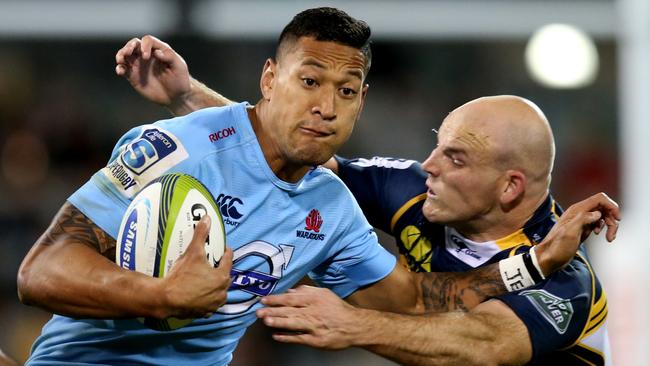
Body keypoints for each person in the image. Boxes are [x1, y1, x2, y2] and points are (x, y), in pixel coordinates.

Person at [18, 7, 615, 366]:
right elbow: (38, 275)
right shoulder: (174, 148)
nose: (327, 107)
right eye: (310, 81)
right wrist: (165, 297)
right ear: (270, 78)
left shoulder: (332, 207)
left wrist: (533, 263)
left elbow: (425, 304)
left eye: (347, 92)